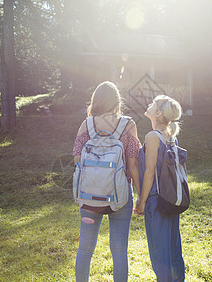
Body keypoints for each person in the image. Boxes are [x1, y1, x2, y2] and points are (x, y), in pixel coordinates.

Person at [72, 81, 142, 282]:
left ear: (96, 100)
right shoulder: (128, 125)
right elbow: (133, 164)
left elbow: (77, 159)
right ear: (116, 101)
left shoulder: (87, 125)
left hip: (89, 195)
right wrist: (140, 196)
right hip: (120, 195)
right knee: (119, 251)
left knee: (85, 248)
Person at [135, 95, 186, 282]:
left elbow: (149, 173)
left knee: (159, 256)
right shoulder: (171, 136)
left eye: (152, 104)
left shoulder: (152, 136)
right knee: (173, 251)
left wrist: (141, 201)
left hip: (155, 200)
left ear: (157, 113)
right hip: (171, 198)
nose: (148, 105)